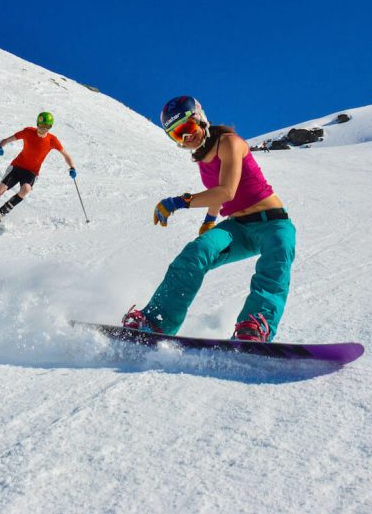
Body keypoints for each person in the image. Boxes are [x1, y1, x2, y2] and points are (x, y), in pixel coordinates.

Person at [122, 96, 296, 342]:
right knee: (196, 253)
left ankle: (255, 327)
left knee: (277, 258)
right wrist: (209, 221)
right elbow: (219, 194)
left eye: (187, 128)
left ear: (200, 118)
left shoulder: (230, 143)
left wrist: (178, 202)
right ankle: (156, 321)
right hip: (239, 228)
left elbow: (227, 191)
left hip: (273, 224)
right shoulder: (203, 159)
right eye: (176, 134)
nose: (185, 137)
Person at [0, 112, 77, 225]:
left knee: (26, 189)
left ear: (50, 127)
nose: (43, 129)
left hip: (32, 172)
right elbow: (5, 140)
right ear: (37, 124)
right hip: (17, 167)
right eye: (41, 125)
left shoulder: (52, 140)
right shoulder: (28, 132)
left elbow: (66, 155)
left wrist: (72, 167)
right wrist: (0, 147)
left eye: (46, 126)